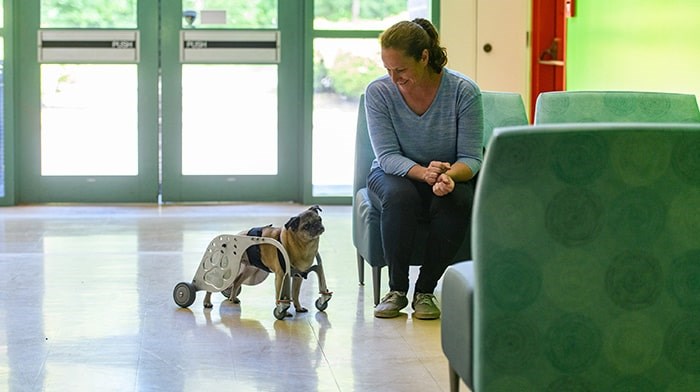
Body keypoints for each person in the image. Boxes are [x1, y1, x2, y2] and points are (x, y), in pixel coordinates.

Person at [364, 18, 483, 319]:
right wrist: (425, 173)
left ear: (424, 57)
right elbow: (388, 155)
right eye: (387, 69)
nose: (393, 78)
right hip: (394, 173)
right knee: (401, 197)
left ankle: (425, 292)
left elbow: (471, 158)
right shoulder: (378, 93)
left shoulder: (463, 91)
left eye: (400, 70)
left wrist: (448, 176)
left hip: (446, 173)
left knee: (458, 199)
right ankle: (396, 290)